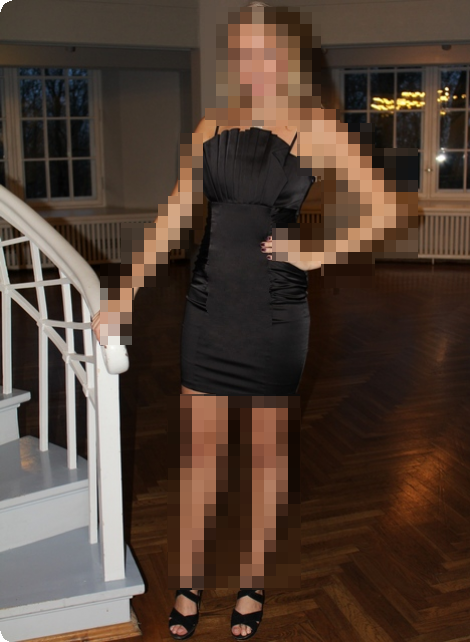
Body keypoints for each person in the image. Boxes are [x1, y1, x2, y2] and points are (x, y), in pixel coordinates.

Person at [91, 1, 418, 639]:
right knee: (199, 462)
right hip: (209, 309)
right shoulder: (211, 126)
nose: (254, 65)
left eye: (266, 52)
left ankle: (252, 584)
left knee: (265, 463)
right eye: (242, 53)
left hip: (275, 316)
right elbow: (172, 215)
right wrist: (125, 293)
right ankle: (189, 582)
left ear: (288, 57)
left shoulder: (316, 128)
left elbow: (391, 208)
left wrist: (315, 253)